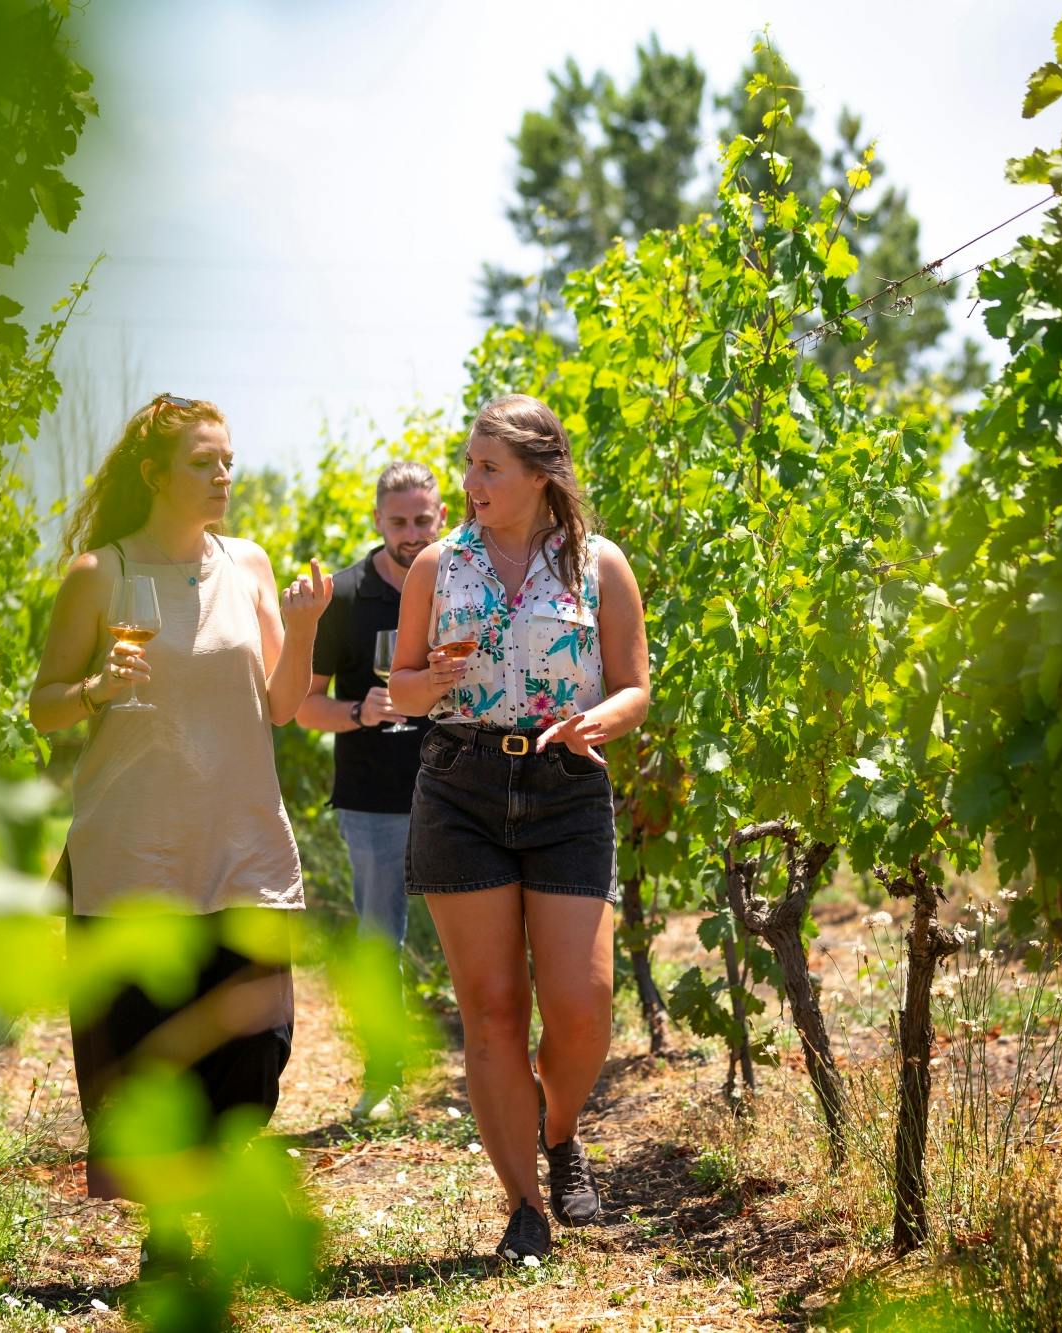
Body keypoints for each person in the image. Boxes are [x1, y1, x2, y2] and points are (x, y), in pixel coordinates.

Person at [27, 392, 331, 1204]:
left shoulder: (251, 564)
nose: (223, 474)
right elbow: (43, 703)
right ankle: (168, 1230)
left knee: (253, 1044)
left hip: (239, 844)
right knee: (144, 1052)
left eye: (227, 459)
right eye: (204, 461)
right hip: (133, 851)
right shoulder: (100, 574)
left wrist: (300, 633)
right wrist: (94, 688)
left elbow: (284, 705)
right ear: (155, 473)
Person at [388, 394, 650, 1263]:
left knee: (582, 1005)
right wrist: (430, 679)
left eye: (487, 466)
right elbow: (403, 692)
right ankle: (526, 1206)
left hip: (566, 784)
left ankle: (560, 1126)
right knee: (493, 1009)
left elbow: (633, 686)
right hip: (461, 783)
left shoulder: (598, 564)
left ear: (542, 473)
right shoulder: (437, 565)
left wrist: (599, 723)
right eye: (467, 464)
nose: (469, 483)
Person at [296, 460, 447, 1121]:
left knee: (480, 934)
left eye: (422, 519)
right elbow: (305, 705)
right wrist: (362, 713)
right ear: (378, 522)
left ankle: (481, 1072)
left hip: (453, 790)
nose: (412, 533)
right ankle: (381, 1079)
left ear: (440, 517)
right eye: (399, 521)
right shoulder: (349, 597)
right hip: (372, 800)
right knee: (379, 937)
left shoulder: (457, 584)